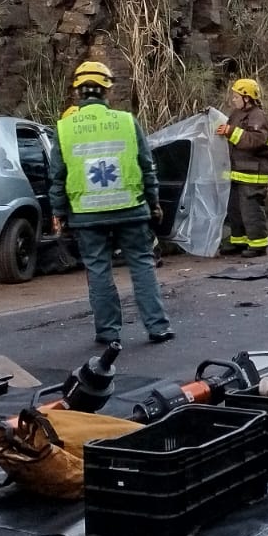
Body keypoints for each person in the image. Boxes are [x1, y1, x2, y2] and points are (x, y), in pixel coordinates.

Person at [49, 61, 174, 345]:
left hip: (86, 215)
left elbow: (57, 176)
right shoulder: (126, 122)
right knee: (142, 265)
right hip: (131, 209)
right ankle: (158, 327)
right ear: (107, 90)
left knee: (98, 269)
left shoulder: (64, 128)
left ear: (78, 92)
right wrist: (153, 202)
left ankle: (108, 332)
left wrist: (58, 212)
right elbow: (147, 166)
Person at [216, 78, 268, 257]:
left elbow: (255, 140)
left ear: (247, 98)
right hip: (239, 172)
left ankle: (258, 245)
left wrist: (230, 132)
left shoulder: (258, 116)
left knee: (251, 209)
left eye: (236, 96)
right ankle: (239, 241)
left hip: (254, 173)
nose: (233, 99)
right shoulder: (237, 114)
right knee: (235, 209)